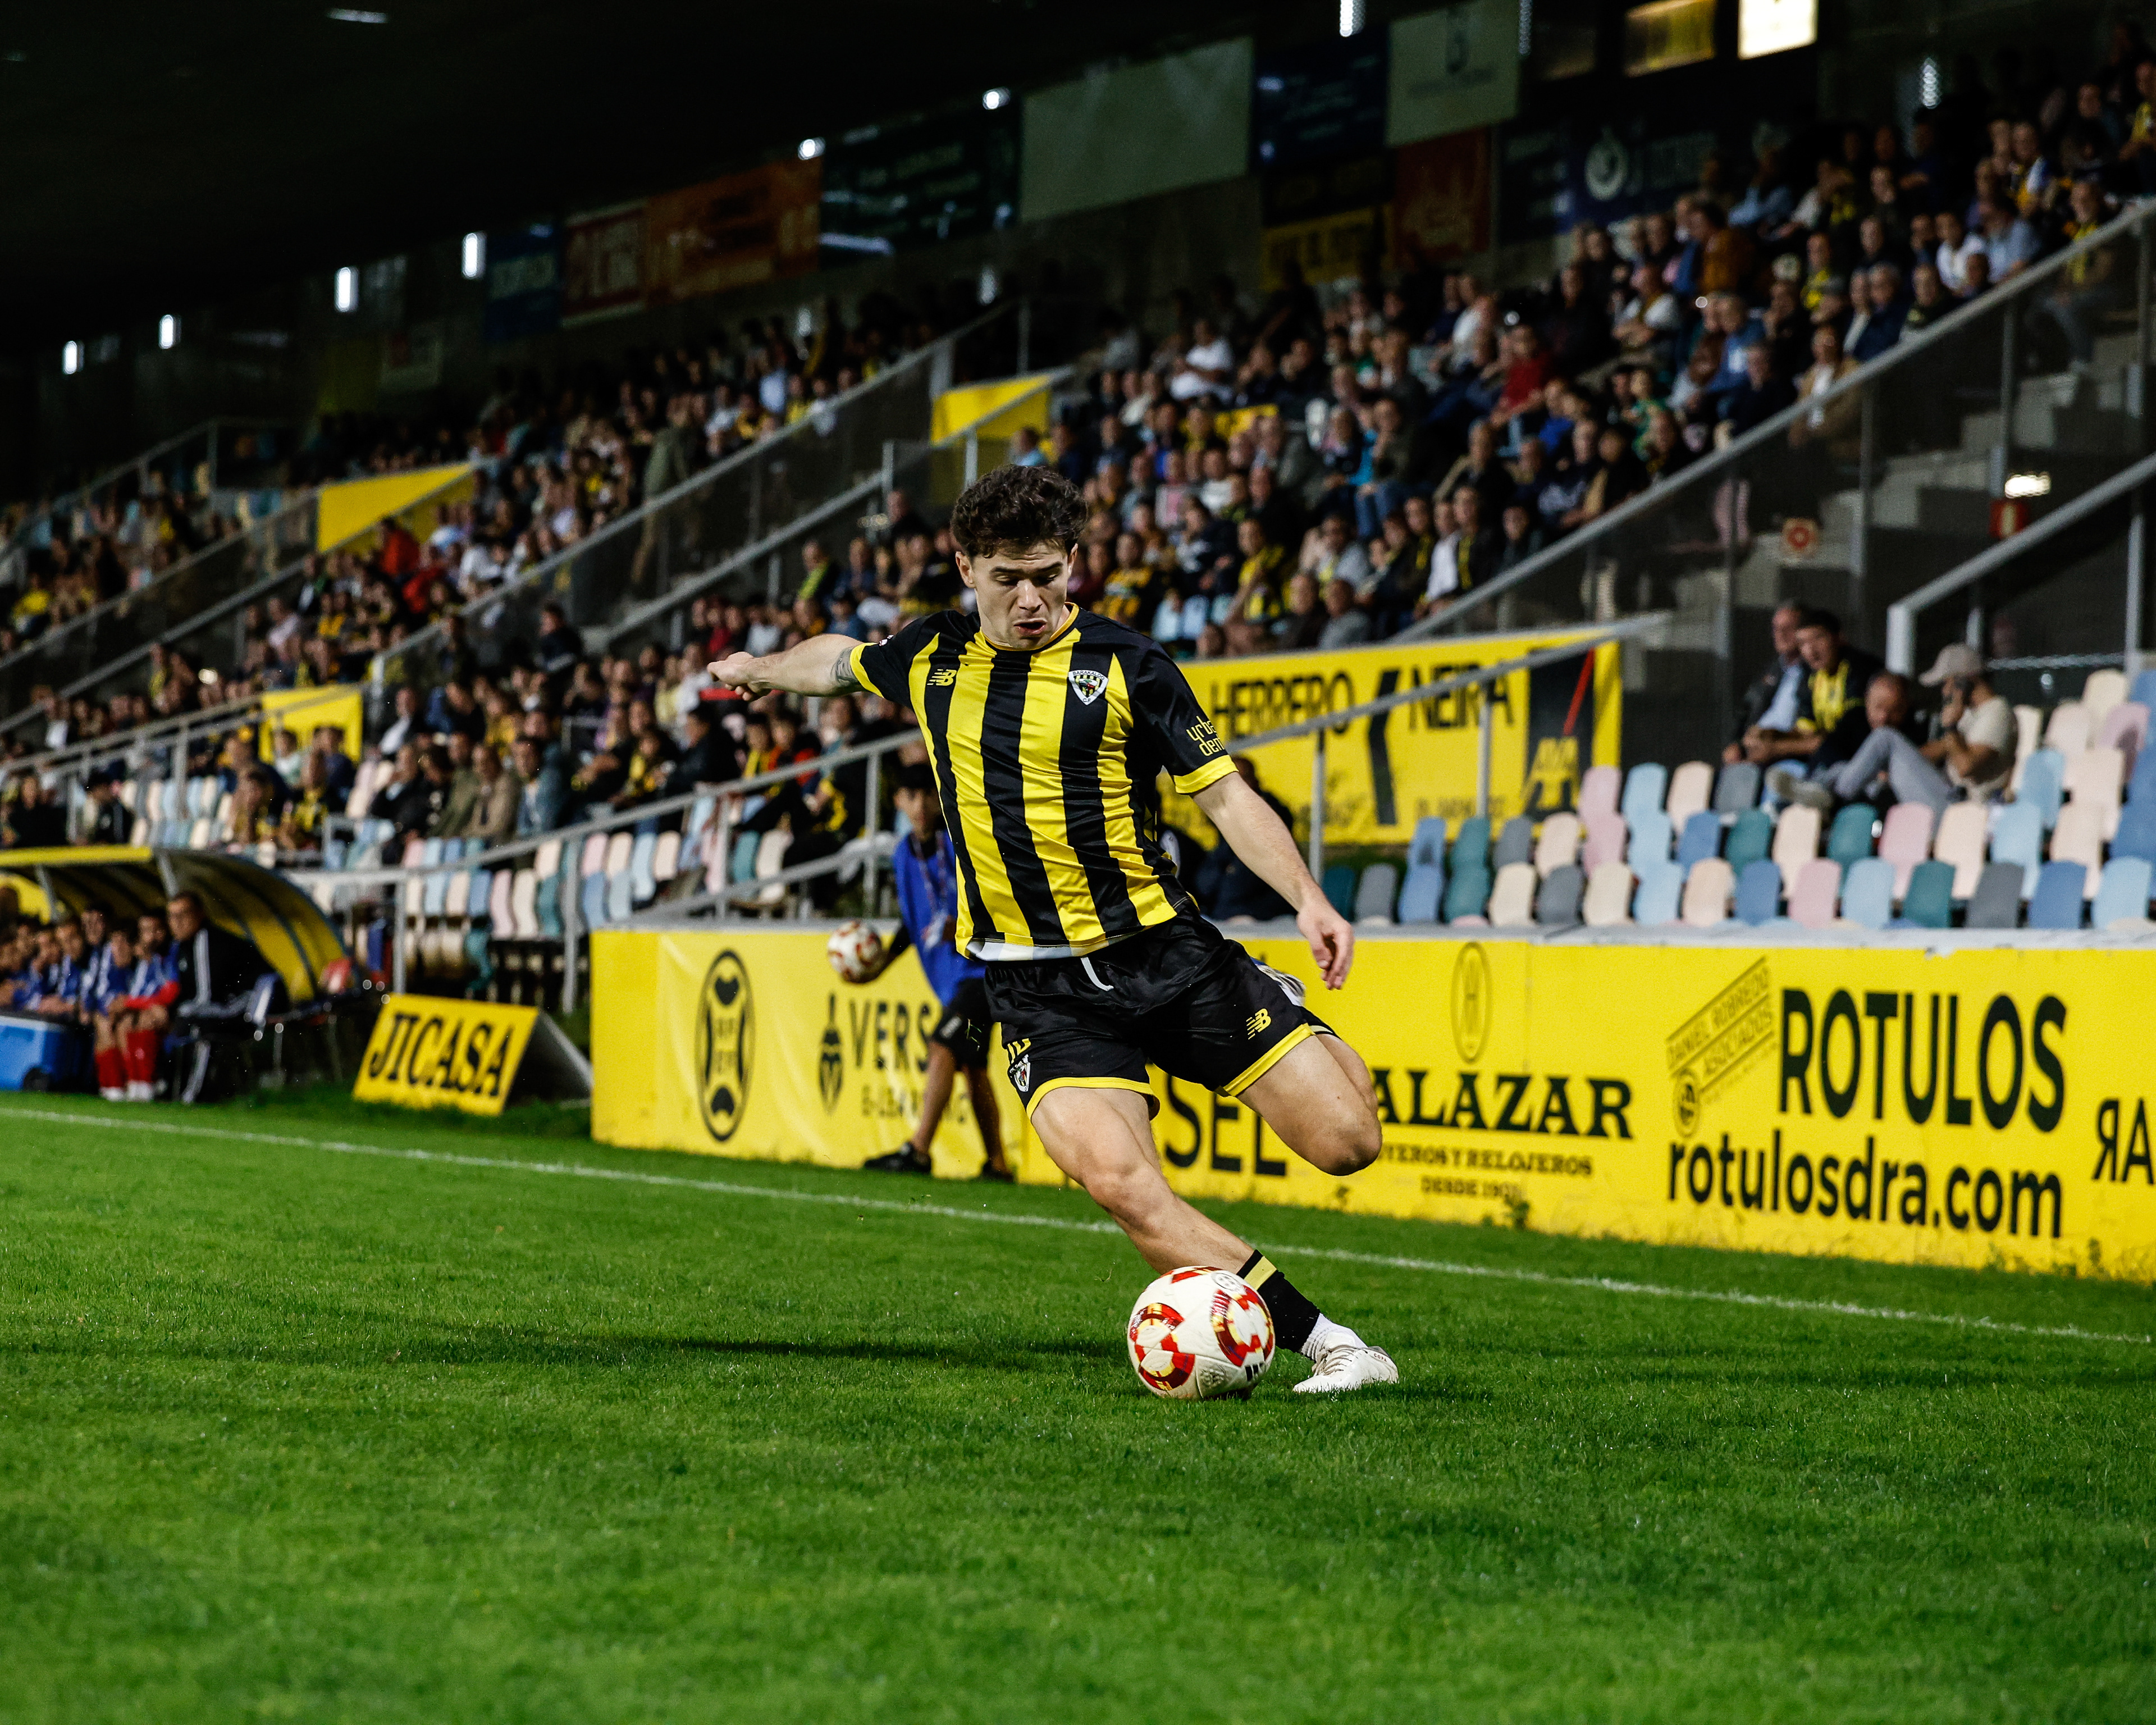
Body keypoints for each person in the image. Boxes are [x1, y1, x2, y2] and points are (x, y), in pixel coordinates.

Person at [714, 464, 1395, 1394]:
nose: (1031, 599)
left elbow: (1227, 796)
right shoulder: (932, 655)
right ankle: (1332, 1345)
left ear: (1073, 560)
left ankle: (1280, 1008)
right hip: (1039, 990)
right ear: (966, 569)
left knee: (1349, 1142)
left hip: (1166, 954)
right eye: (1007, 579)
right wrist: (761, 672)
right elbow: (838, 661)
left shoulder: (1129, 666)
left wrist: (1307, 898)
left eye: (1047, 574)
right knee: (1123, 1185)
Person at [852, 765, 1013, 1183]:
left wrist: (961, 925)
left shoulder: (960, 843)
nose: (921, 805)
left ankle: (919, 1150)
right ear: (898, 802)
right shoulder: (902, 856)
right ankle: (998, 1164)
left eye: (928, 794)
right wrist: (879, 967)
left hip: (983, 975)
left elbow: (995, 901)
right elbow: (912, 924)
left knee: (942, 1046)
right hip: (952, 983)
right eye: (911, 796)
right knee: (972, 1066)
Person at [1790, 646, 2015, 816]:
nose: (1944, 692)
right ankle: (1818, 789)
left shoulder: (1997, 712)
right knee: (1847, 768)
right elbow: (1933, 752)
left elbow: (1966, 768)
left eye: (1946, 684)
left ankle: (1830, 795)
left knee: (1885, 737)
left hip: (1962, 811)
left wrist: (1950, 727)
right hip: (1944, 793)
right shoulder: (1969, 714)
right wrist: (1887, 765)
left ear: (1964, 683)